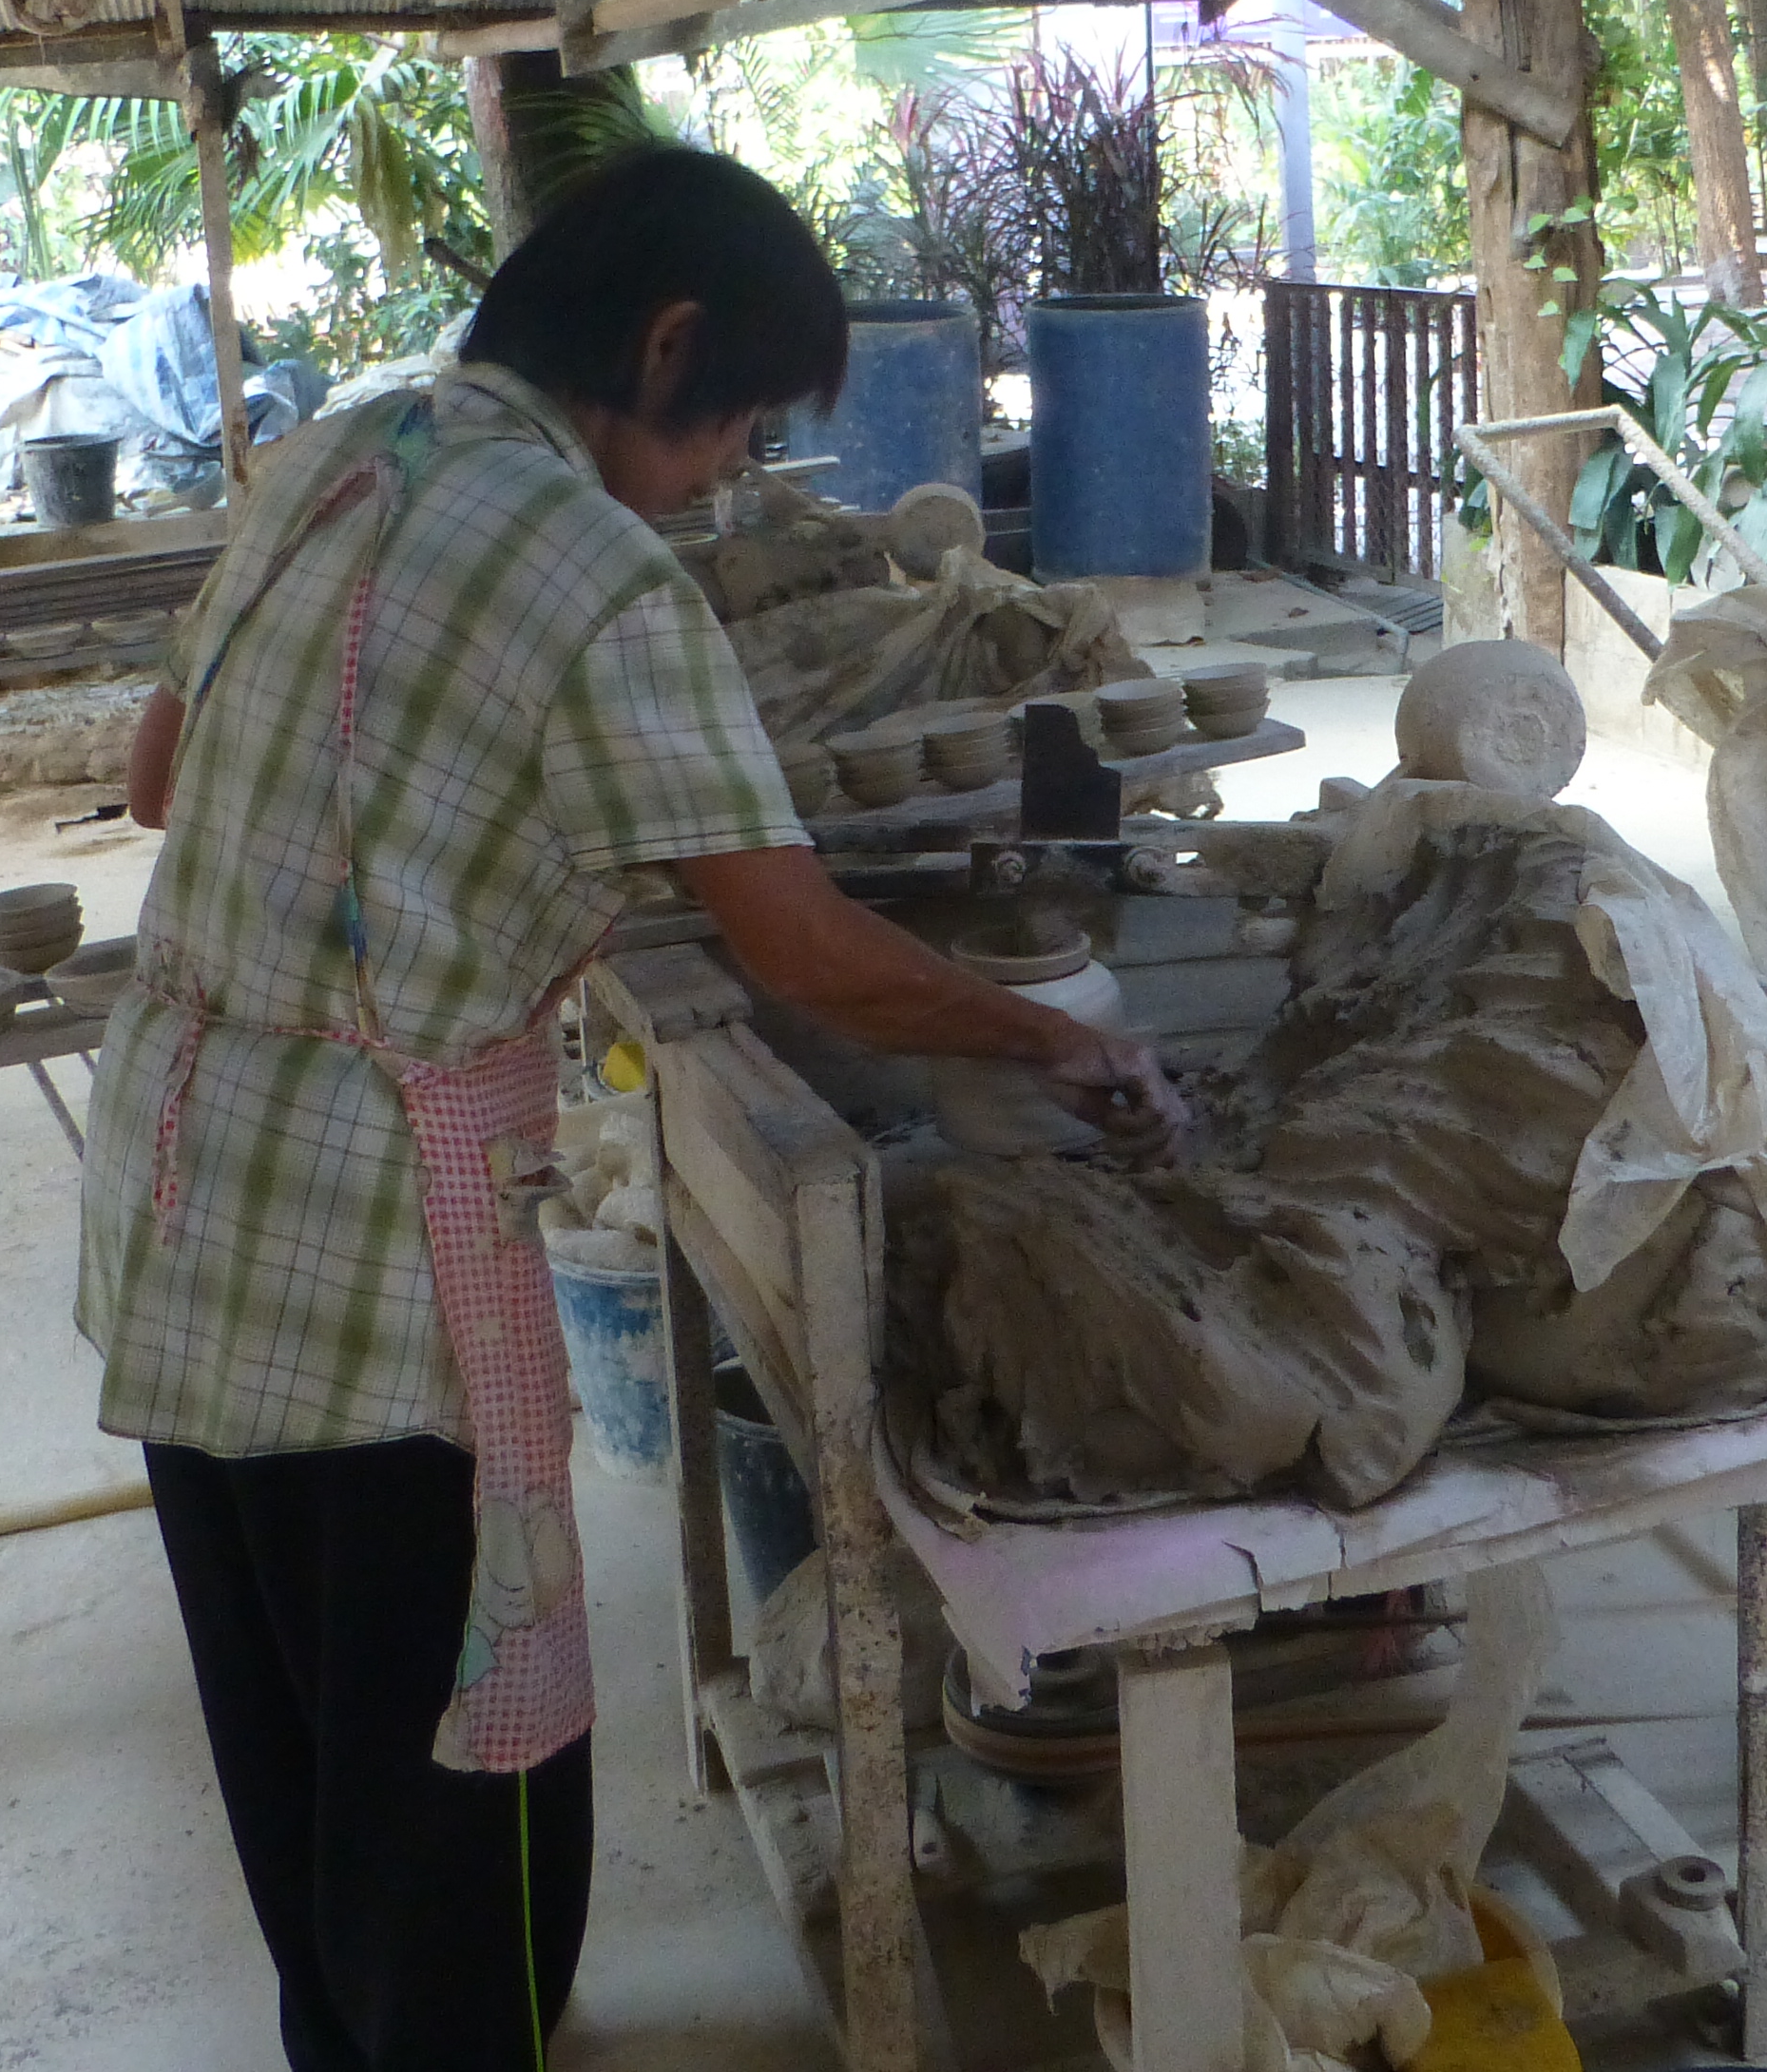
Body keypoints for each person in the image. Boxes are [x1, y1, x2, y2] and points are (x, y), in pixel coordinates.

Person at [77, 144, 1175, 2072]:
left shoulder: (336, 449)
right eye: (734, 425)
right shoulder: (597, 575)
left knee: (298, 1740)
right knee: (453, 1776)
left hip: (176, 1179)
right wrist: (1042, 1037)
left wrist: (453, 841)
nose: (725, 475)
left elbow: (162, 775)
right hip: (369, 1248)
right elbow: (809, 953)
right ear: (664, 346)